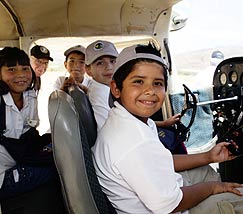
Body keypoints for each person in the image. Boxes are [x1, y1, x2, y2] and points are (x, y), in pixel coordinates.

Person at [92, 43, 243, 214]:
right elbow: (170, 206)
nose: (149, 90)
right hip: (170, 208)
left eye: (157, 83)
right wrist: (213, 188)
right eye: (138, 81)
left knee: (206, 170)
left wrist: (208, 156)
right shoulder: (133, 141)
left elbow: (160, 160)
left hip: (159, 196)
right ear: (116, 88)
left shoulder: (132, 120)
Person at [0, 47, 57, 200]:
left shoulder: (30, 96)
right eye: (11, 69)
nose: (20, 75)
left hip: (20, 160)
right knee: (60, 171)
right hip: (3, 175)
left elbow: (29, 132)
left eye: (25, 68)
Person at [85, 40, 118, 131]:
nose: (109, 67)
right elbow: (110, 131)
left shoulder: (107, 89)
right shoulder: (99, 94)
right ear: (88, 70)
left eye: (112, 61)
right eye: (100, 63)